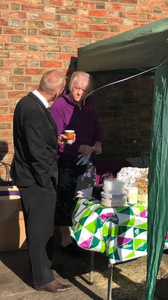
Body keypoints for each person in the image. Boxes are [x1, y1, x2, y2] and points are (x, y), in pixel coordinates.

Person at [11, 70, 72, 293]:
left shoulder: (27, 103)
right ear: (56, 93)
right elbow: (36, 152)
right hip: (36, 181)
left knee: (40, 227)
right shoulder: (34, 110)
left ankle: (42, 267)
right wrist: (46, 180)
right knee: (40, 229)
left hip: (32, 177)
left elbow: (34, 140)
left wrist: (53, 138)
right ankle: (43, 279)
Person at [50, 71, 103, 257]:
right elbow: (56, 139)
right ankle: (66, 239)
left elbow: (97, 128)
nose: (79, 92)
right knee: (65, 200)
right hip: (67, 161)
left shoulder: (89, 105)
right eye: (76, 88)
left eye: (84, 89)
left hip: (88, 161)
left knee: (85, 198)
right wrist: (79, 148)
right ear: (69, 86)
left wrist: (98, 143)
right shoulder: (59, 106)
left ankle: (82, 236)